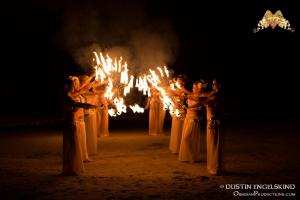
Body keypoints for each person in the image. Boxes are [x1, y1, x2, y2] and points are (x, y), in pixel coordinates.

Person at [61, 74, 96, 175]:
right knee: (71, 145)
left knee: (73, 145)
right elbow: (76, 104)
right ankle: (69, 169)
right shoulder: (66, 96)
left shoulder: (68, 95)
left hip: (71, 121)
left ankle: (71, 168)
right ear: (68, 86)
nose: (74, 87)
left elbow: (75, 105)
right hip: (69, 122)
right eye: (73, 85)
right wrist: (89, 106)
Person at [178, 81, 205, 162]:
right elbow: (182, 95)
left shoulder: (201, 97)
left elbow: (196, 100)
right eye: (192, 87)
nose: (193, 89)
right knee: (185, 138)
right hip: (187, 118)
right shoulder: (191, 95)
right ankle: (188, 157)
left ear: (198, 88)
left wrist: (185, 92)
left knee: (187, 138)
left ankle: (192, 156)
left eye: (194, 87)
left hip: (194, 119)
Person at [205, 79, 224, 175]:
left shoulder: (217, 96)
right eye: (212, 84)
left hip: (214, 123)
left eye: (215, 84)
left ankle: (216, 167)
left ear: (220, 86)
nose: (213, 86)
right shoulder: (213, 95)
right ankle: (213, 166)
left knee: (214, 145)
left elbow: (208, 102)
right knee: (211, 144)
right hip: (211, 122)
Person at [169, 74, 189, 154]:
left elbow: (190, 96)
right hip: (175, 110)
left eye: (180, 80)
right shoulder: (175, 89)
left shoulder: (184, 90)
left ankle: (180, 148)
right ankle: (175, 148)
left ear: (183, 82)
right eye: (177, 80)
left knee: (179, 129)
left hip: (180, 111)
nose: (178, 81)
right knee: (175, 129)